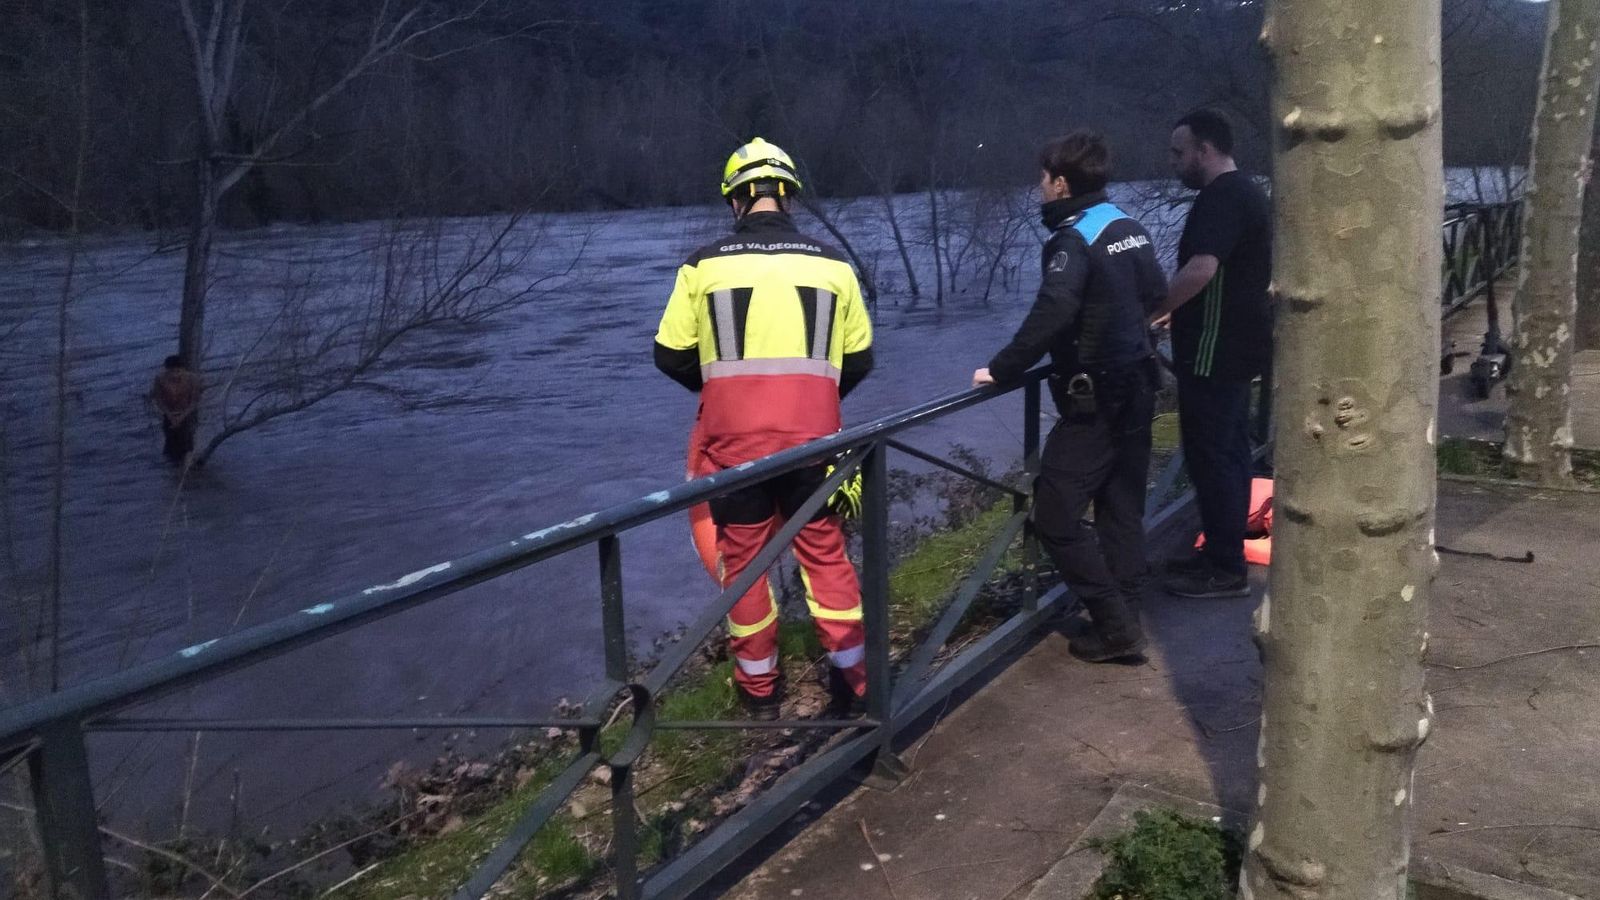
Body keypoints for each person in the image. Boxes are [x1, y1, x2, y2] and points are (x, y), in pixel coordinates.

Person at [654, 138, 875, 719]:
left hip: (735, 451)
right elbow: (860, 360)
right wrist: (815, 398)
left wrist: (726, 393)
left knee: (745, 565)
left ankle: (760, 693)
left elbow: (670, 355)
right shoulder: (834, 265)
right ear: (788, 196)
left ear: (737, 199)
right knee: (827, 559)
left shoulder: (702, 266)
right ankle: (854, 684)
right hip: (814, 445)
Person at [973, 131, 1166, 663]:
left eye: (1042, 180)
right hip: (1141, 383)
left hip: (1097, 395)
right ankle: (1125, 616)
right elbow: (1155, 295)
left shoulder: (1072, 239)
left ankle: (1114, 624)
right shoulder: (1128, 226)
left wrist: (1002, 367)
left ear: (1061, 183)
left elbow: (1054, 310)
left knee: (1055, 515)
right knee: (1121, 506)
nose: (1038, 189)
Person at [1147, 108, 1272, 599]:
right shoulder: (1247, 192)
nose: (1175, 163)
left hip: (1214, 350)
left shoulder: (1223, 197)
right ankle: (1222, 551)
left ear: (1206, 149)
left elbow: (1201, 270)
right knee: (1231, 451)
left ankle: (1224, 569)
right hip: (1236, 344)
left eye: (1180, 153)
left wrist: (1154, 310)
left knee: (1212, 454)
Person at [150, 355, 202, 467]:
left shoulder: (193, 379)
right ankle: (173, 468)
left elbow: (194, 402)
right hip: (169, 414)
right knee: (170, 442)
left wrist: (182, 417)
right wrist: (170, 416)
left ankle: (187, 467)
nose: (175, 375)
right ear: (166, 370)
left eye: (178, 371)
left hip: (188, 414)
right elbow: (159, 400)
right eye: (171, 372)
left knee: (187, 442)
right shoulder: (159, 379)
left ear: (183, 369)